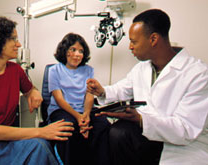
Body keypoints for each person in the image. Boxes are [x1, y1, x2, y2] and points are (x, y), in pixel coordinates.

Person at [87, 9, 208, 165]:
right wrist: (102, 91)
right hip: (147, 138)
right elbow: (122, 89)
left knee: (120, 133)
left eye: (134, 41)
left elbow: (185, 129)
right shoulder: (142, 68)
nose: (130, 47)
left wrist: (142, 119)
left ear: (153, 39)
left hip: (180, 147)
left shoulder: (198, 74)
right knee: (109, 131)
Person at [0, 15, 74, 164]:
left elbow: (30, 88)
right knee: (38, 145)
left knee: (39, 145)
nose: (18, 44)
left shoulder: (14, 70)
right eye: (13, 39)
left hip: (2, 136)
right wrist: (42, 131)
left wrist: (33, 91)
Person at [47, 33, 111, 165]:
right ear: (65, 51)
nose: (77, 54)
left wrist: (86, 116)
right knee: (69, 127)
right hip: (62, 110)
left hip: (85, 110)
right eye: (73, 50)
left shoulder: (88, 70)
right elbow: (59, 100)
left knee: (103, 125)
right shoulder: (54, 70)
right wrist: (78, 117)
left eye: (81, 51)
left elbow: (89, 95)